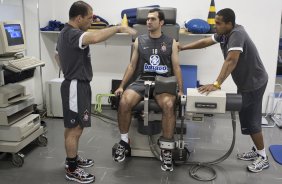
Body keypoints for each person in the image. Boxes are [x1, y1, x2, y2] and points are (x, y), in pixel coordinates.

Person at [179, 8, 269, 173]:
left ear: (229, 24)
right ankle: (257, 150)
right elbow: (206, 41)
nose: (216, 26)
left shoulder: (237, 34)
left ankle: (263, 157)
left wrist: (217, 84)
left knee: (252, 121)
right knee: (247, 118)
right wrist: (183, 48)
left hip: (254, 83)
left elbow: (231, 59)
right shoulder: (224, 33)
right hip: (245, 83)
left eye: (219, 23)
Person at [55, 1, 136, 183]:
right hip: (75, 85)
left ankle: (73, 159)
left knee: (74, 127)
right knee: (75, 128)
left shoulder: (64, 32)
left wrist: (68, 68)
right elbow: (95, 37)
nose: (93, 20)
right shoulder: (74, 34)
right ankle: (72, 169)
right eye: (90, 17)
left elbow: (56, 55)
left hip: (76, 84)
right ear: (79, 18)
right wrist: (118, 28)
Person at [113, 8, 184, 172]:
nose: (149, 22)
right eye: (147, 19)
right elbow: (132, 66)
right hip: (142, 80)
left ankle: (166, 149)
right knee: (124, 102)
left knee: (168, 105)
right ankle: (124, 141)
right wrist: (122, 86)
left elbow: (176, 67)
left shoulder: (171, 42)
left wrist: (180, 89)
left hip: (163, 82)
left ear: (161, 23)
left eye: (153, 19)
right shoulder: (139, 40)